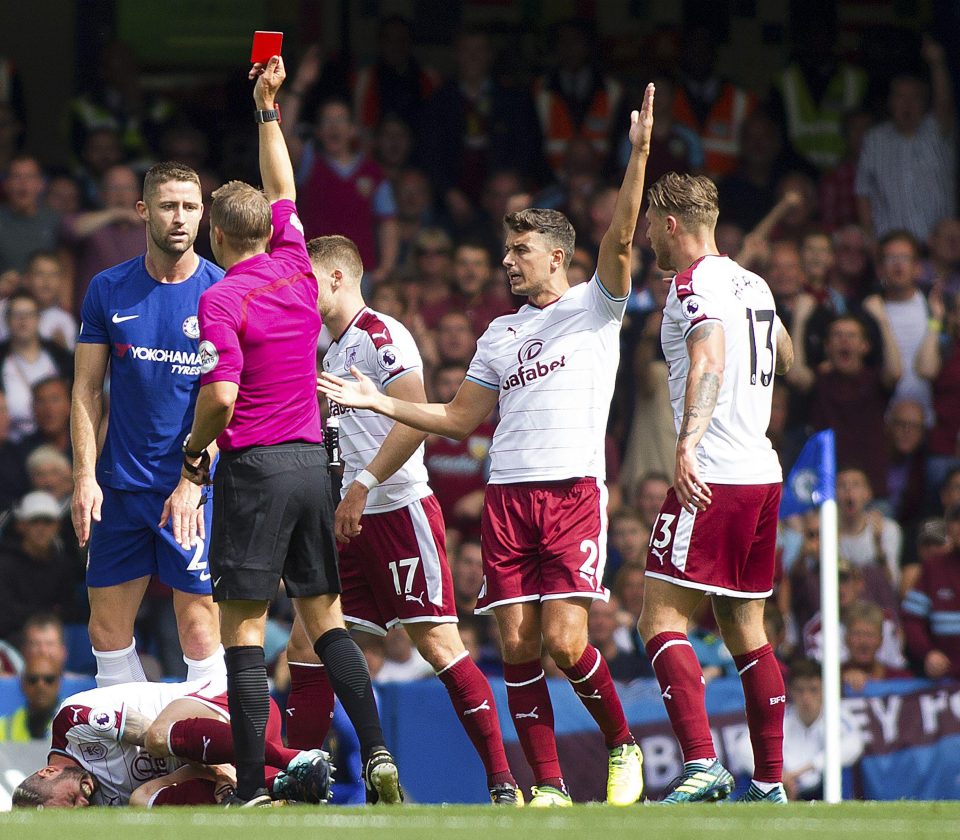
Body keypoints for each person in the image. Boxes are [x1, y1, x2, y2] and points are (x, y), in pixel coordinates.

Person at [319, 84, 657, 808]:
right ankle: (549, 789)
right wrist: (379, 400)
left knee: (568, 644)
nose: (508, 260)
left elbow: (624, 237)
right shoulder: (499, 334)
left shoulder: (595, 306)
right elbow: (457, 417)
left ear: (559, 257)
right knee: (516, 647)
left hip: (571, 491)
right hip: (507, 496)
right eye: (506, 249)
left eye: (520, 250)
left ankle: (623, 743)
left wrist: (639, 158)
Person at [180, 55, 400, 807]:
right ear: (265, 229)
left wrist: (194, 447)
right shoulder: (300, 267)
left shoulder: (223, 298)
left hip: (258, 469)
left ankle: (248, 786)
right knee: (327, 621)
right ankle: (376, 753)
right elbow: (286, 188)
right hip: (314, 466)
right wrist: (267, 110)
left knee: (241, 630)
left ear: (214, 232)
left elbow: (221, 394)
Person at [296, 233, 519, 804]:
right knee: (309, 640)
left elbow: (418, 416)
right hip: (352, 518)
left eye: (310, 279)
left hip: (397, 509)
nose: (303, 289)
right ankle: (295, 783)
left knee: (440, 645)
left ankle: (502, 783)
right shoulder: (331, 347)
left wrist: (364, 485)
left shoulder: (381, 334)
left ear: (340, 278)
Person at [636, 170, 795, 804]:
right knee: (744, 626)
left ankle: (703, 764)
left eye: (651, 222)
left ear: (671, 224)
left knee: (659, 617)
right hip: (762, 470)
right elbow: (781, 348)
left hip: (716, 472)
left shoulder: (689, 283)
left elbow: (709, 355)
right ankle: (770, 783)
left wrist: (688, 442)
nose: (647, 233)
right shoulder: (752, 283)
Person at [70, 161, 224, 688]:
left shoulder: (222, 292)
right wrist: (84, 476)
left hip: (193, 488)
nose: (179, 218)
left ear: (203, 215)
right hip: (119, 487)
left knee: (199, 628)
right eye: (167, 205)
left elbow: (228, 402)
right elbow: (87, 390)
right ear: (143, 211)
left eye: (189, 206)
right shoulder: (107, 289)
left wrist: (190, 482)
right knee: (107, 630)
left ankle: (216, 761)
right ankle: (135, 759)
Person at [10, 677, 332, 808]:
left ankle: (293, 759)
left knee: (154, 737)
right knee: (141, 800)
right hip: (227, 761)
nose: (79, 807)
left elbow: (148, 730)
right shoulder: (96, 805)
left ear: (47, 773)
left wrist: (217, 769)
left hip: (233, 709)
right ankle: (277, 786)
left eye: (68, 802)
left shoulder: (70, 723)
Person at [780, 659, 864, 801]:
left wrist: (810, 767)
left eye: (813, 689)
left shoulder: (838, 716)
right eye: (800, 690)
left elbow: (854, 746)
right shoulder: (780, 718)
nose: (806, 698)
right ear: (790, 690)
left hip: (824, 790)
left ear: (825, 689)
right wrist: (778, 776)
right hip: (784, 788)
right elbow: (744, 748)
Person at [0, 653, 62, 741]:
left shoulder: (75, 726)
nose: (40, 686)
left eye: (49, 679)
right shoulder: (4, 728)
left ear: (58, 683)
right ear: (22, 684)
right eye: (33, 680)